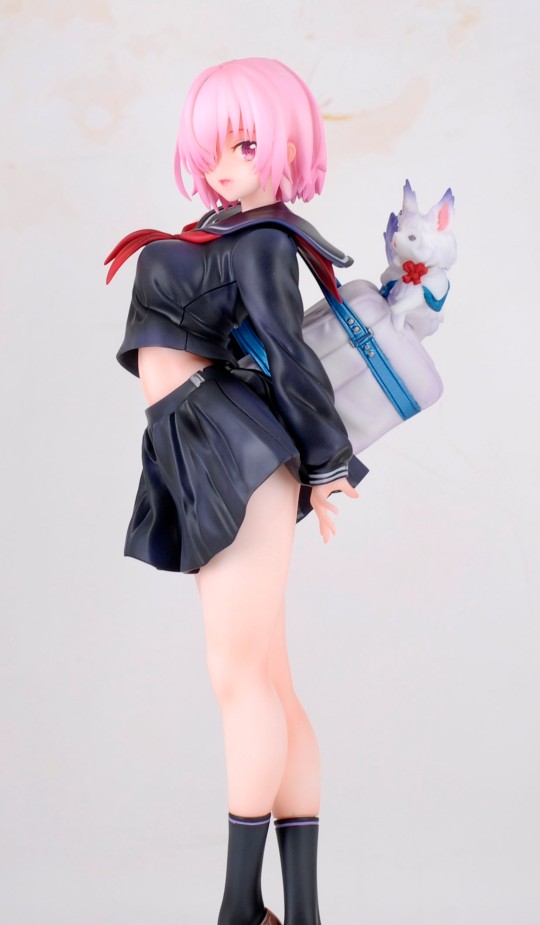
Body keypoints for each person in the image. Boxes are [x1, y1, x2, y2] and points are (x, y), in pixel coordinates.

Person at [107, 57, 368, 925]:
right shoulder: (227, 228)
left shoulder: (262, 240)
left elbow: (289, 355)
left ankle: (236, 908)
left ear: (288, 145)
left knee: (240, 677)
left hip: (230, 446)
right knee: (269, 679)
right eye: (214, 143)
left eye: (247, 144)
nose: (224, 163)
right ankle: (295, 912)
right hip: (198, 438)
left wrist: (326, 465)